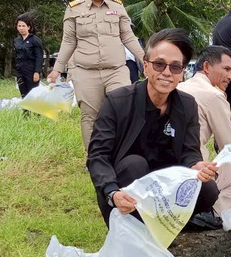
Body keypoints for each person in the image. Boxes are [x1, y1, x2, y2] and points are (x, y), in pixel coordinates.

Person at [87, 28, 221, 230]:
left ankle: (167, 224)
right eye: (159, 64)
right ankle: (139, 228)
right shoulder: (118, 101)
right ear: (146, 67)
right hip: (124, 190)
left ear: (182, 73)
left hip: (165, 187)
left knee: (208, 189)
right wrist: (112, 192)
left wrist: (196, 166)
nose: (166, 72)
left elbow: (189, 152)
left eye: (175, 67)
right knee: (134, 164)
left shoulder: (187, 105)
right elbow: (97, 156)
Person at [48, 0, 145, 150]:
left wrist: (145, 60)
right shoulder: (74, 9)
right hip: (86, 73)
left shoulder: (117, 7)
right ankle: (94, 158)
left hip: (116, 70)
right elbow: (68, 41)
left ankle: (121, 155)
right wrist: (57, 69)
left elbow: (128, 36)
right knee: (90, 117)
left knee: (123, 110)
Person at [178, 46, 231, 213]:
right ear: (207, 66)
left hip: (168, 167)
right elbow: (230, 146)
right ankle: (214, 211)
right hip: (194, 171)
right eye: (226, 69)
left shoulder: (181, 87)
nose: (230, 76)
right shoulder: (213, 95)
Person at [13, 13, 44, 98]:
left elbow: (39, 57)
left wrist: (37, 72)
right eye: (19, 26)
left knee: (33, 94)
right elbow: (16, 56)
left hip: (31, 70)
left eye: (23, 26)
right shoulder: (17, 40)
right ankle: (25, 107)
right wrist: (16, 73)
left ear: (28, 27)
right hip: (20, 71)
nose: (21, 28)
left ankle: (36, 107)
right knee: (24, 94)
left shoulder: (35, 40)